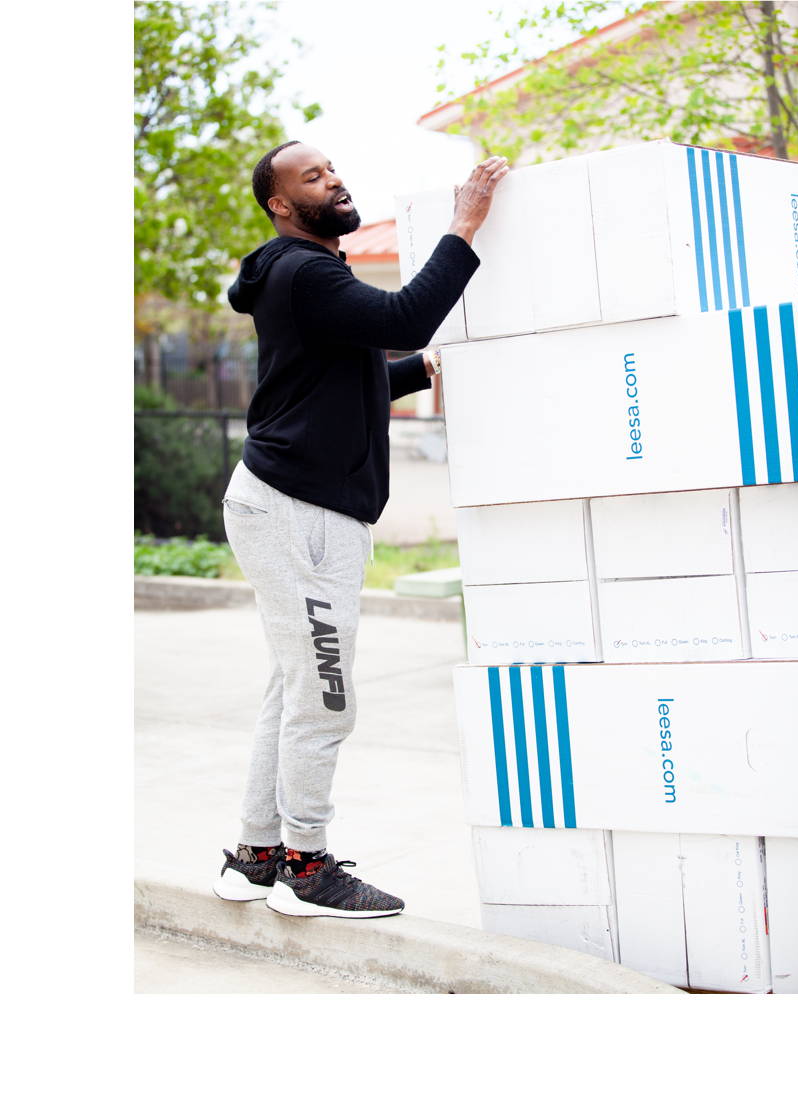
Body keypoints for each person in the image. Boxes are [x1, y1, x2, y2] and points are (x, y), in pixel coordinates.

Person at [210, 142, 509, 918]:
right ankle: (306, 869)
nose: (333, 180)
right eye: (311, 177)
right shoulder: (305, 270)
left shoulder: (305, 277)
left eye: (333, 169)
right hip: (294, 512)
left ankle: (255, 855)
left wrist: (419, 373)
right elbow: (405, 315)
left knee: (294, 686)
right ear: (280, 204)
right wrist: (464, 224)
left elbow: (336, 383)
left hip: (298, 508)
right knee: (326, 696)